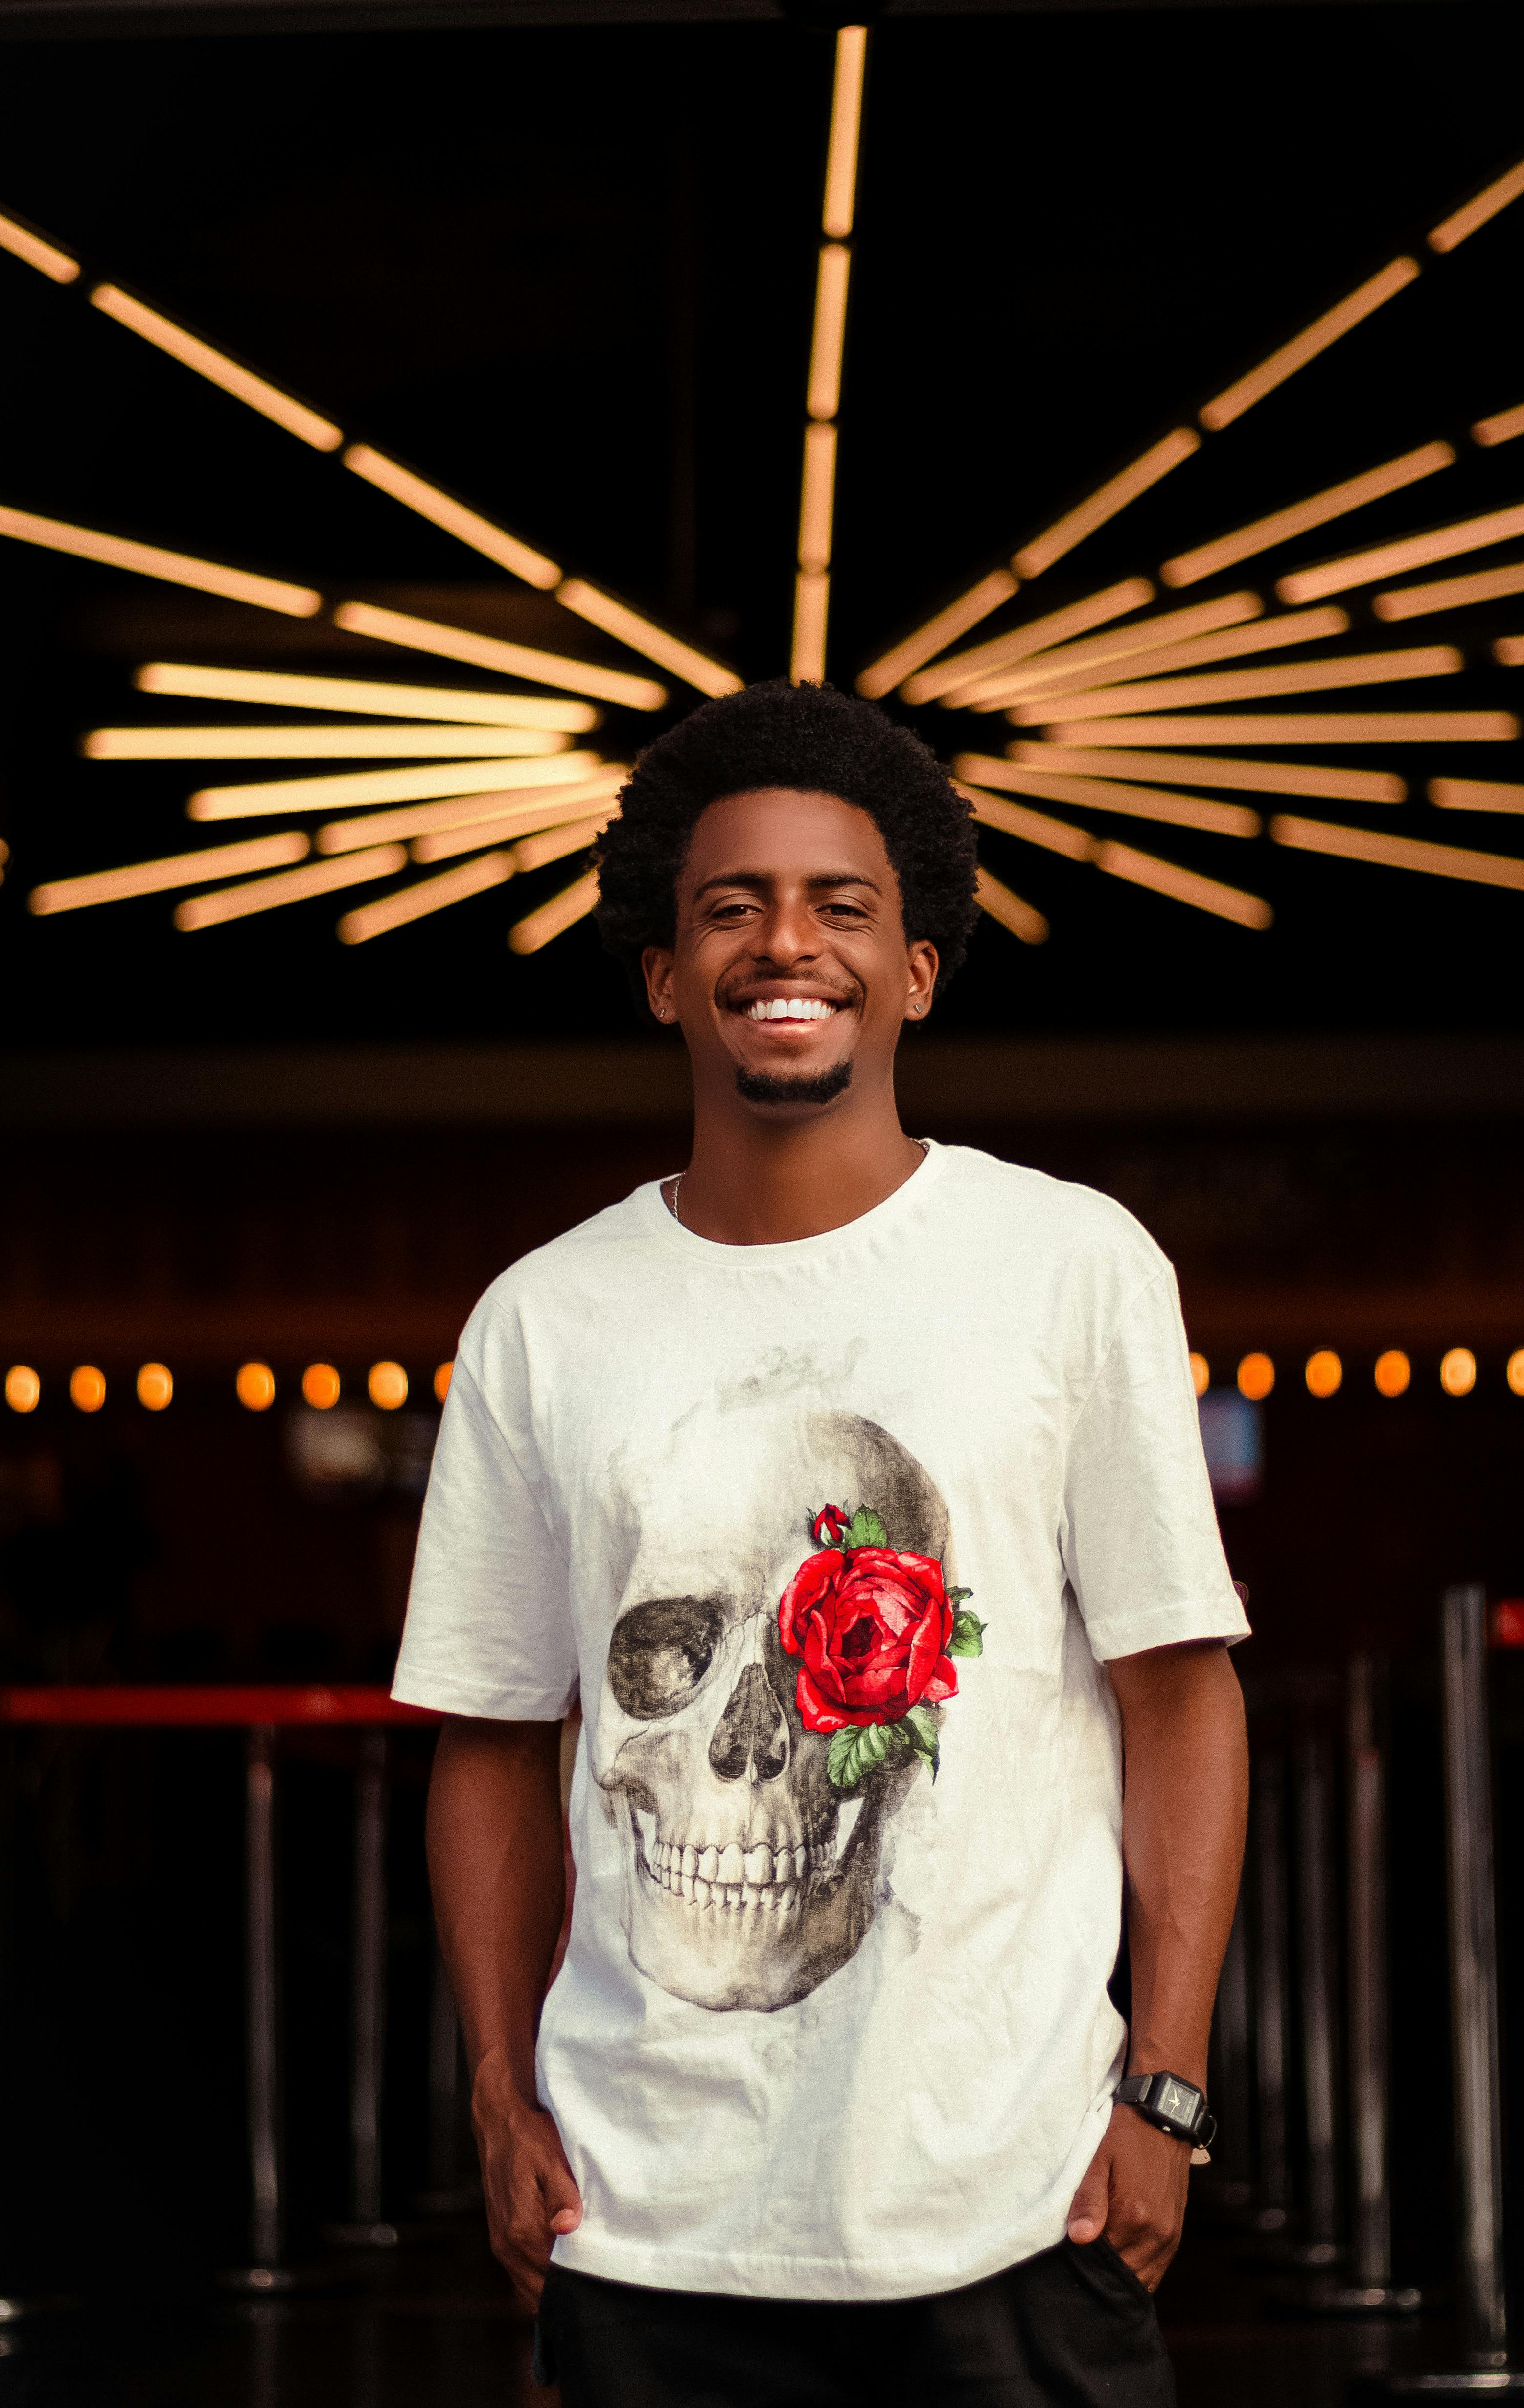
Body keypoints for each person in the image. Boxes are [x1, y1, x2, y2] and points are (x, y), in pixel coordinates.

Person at [395, 680, 1249, 2408]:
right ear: (661, 973)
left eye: (842, 905)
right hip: (640, 2224)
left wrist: (1164, 2091)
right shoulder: (543, 1323)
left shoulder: (1072, 1268)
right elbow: (490, 1736)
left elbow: (1179, 1697)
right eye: (732, 905)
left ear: (917, 968)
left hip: (1016, 2209)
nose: (789, 943)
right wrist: (499, 2099)